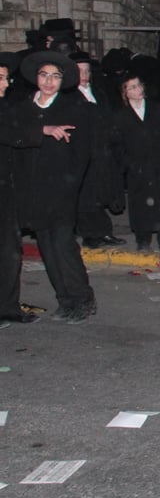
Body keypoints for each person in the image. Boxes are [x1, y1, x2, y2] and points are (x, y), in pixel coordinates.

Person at [14, 51, 96, 323]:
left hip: (61, 188)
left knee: (63, 244)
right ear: (36, 78)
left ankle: (82, 299)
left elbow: (82, 151)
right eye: (44, 75)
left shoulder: (73, 107)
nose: (49, 82)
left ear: (63, 81)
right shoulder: (25, 107)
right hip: (32, 190)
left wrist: (69, 183)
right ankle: (64, 298)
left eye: (55, 77)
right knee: (47, 246)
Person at [0, 52, 61, 326]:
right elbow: (12, 134)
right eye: (0, 79)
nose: (5, 84)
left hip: (7, 188)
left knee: (10, 250)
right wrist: (42, 131)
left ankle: (7, 306)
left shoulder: (7, 106)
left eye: (5, 79)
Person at [111, 72, 160, 253]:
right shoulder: (121, 116)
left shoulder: (158, 109)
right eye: (132, 87)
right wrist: (128, 163)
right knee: (139, 203)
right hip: (136, 166)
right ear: (125, 93)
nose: (137, 90)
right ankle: (143, 239)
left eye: (138, 85)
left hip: (158, 162)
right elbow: (117, 143)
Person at [70, 51, 124, 249]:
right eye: (79, 71)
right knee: (86, 196)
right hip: (84, 151)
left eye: (86, 71)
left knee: (101, 193)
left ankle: (104, 232)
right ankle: (90, 234)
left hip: (102, 150)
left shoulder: (98, 93)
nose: (84, 75)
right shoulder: (70, 96)